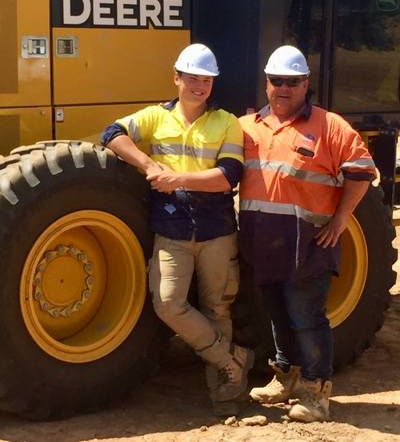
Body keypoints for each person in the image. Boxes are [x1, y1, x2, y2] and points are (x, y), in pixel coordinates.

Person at [101, 43, 254, 416]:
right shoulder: (156, 117)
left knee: (219, 308)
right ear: (177, 78)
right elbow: (113, 133)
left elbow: (228, 176)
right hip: (172, 231)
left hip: (217, 231)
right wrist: (148, 165)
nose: (200, 87)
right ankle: (233, 359)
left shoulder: (226, 122)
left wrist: (176, 177)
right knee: (168, 304)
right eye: (193, 79)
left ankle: (225, 394)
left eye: (207, 80)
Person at [239, 45, 376, 422]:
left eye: (292, 82)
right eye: (276, 81)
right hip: (264, 245)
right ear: (266, 83)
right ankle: (285, 375)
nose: (283, 88)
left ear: (305, 84)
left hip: (310, 246)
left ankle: (316, 391)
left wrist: (341, 219)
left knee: (307, 317)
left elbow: (362, 171)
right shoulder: (248, 127)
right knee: (277, 313)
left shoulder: (329, 126)